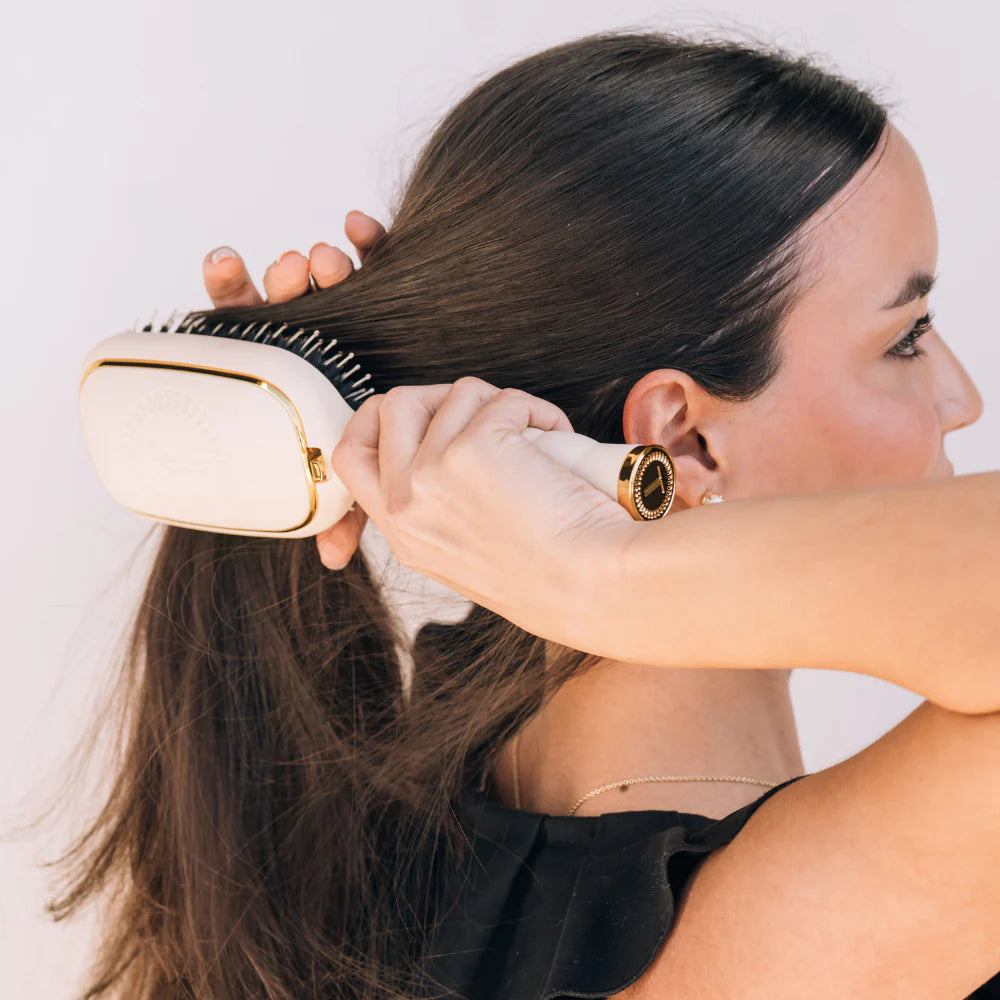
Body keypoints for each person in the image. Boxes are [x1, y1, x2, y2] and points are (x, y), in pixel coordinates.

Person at [58, 30, 1000, 1000]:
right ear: (682, 438)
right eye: (908, 336)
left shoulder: (401, 838)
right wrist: (590, 568)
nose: (960, 395)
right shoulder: (790, 938)